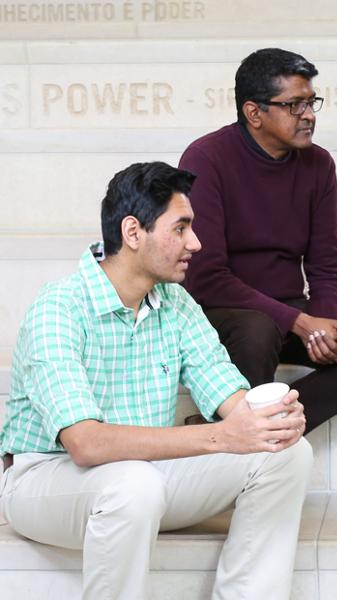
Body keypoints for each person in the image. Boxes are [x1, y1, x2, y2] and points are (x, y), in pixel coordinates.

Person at [0, 162, 312, 600]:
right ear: (133, 233)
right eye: (180, 228)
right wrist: (221, 437)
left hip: (145, 479)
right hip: (48, 481)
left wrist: (268, 421)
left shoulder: (176, 303)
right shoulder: (59, 307)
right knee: (133, 485)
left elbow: (228, 396)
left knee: (286, 453)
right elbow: (85, 444)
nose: (196, 243)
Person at [178, 48, 337, 432]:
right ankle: (239, 436)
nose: (308, 115)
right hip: (224, 309)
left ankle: (266, 426)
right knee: (258, 330)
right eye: (294, 105)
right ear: (254, 113)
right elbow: (206, 276)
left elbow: (326, 264)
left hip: (288, 308)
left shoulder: (319, 164)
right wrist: (299, 321)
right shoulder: (206, 159)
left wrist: (329, 324)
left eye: (311, 103)